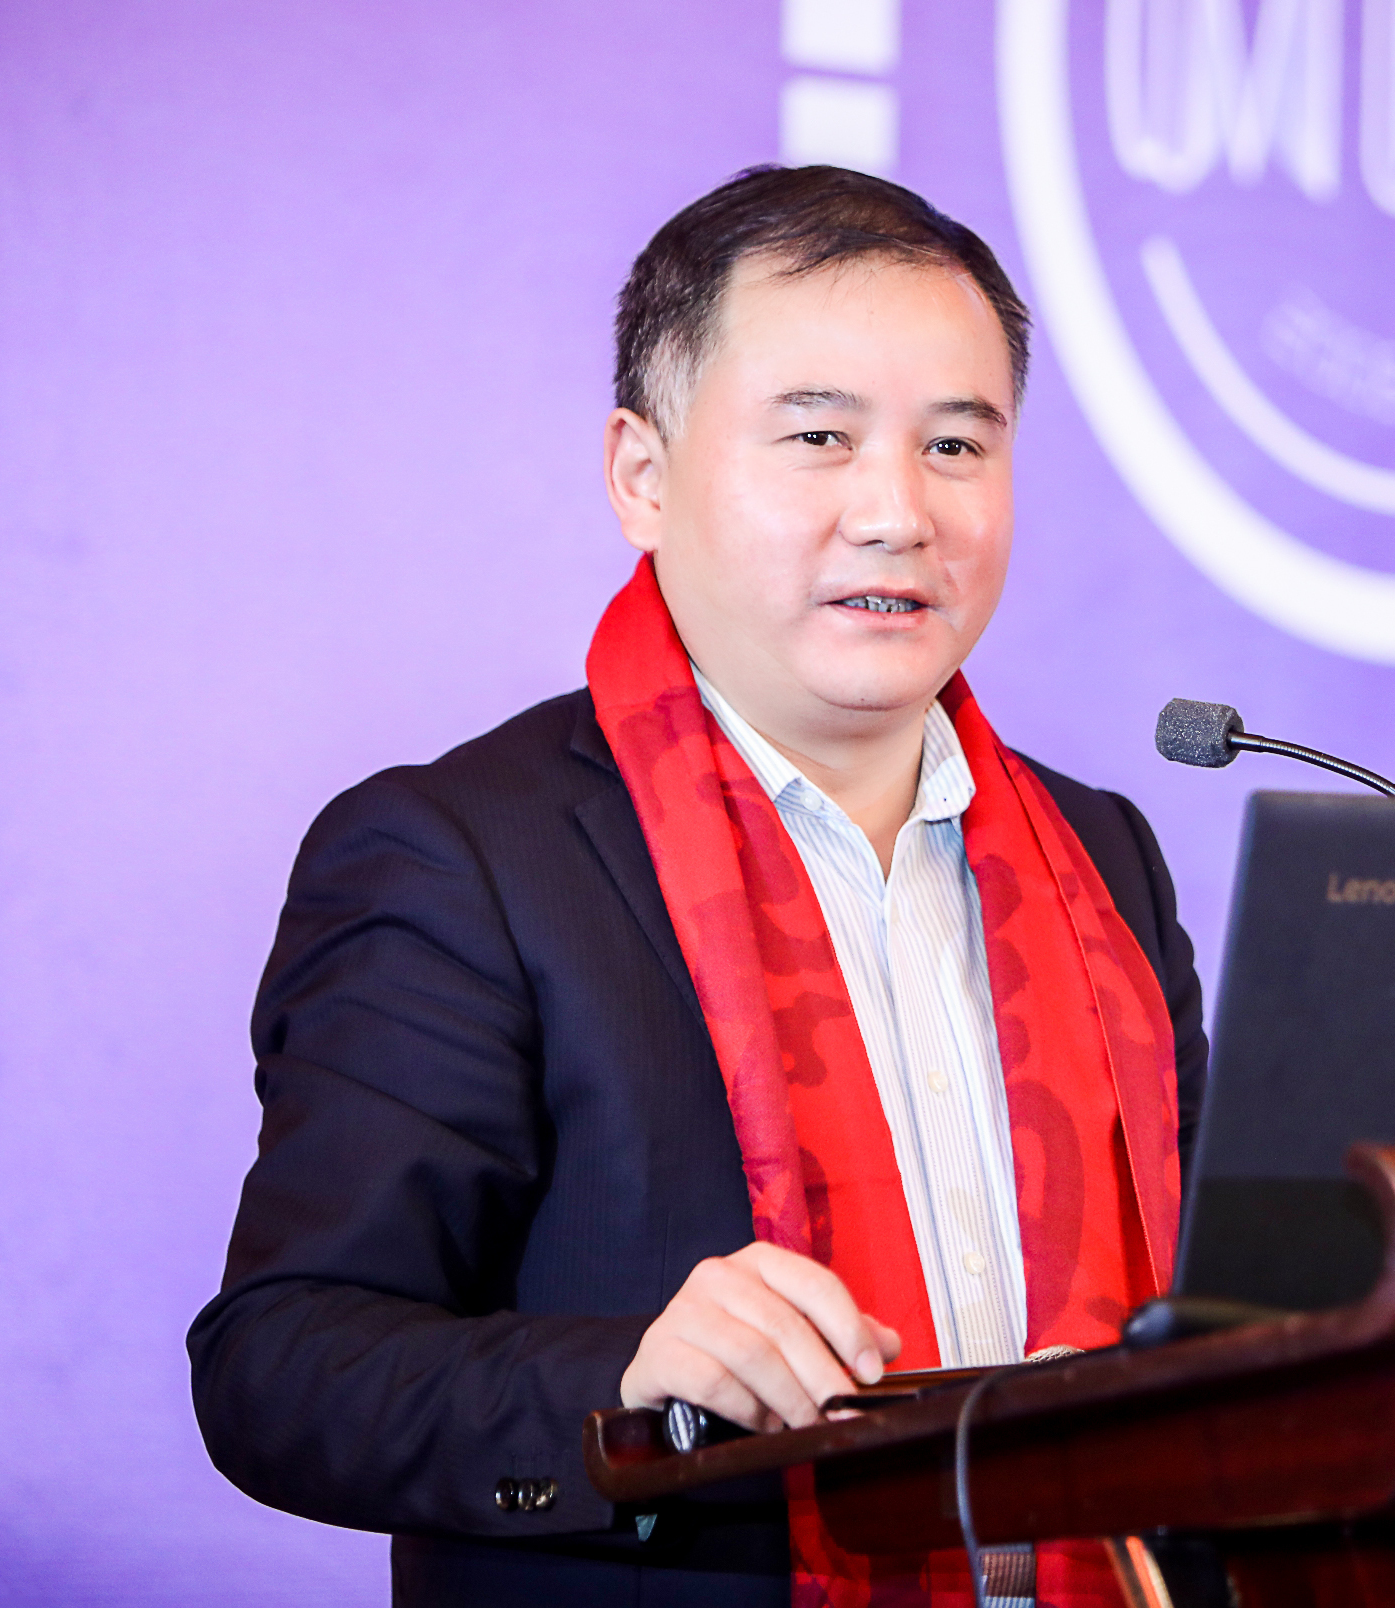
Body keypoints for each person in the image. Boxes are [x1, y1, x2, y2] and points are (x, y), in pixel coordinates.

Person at [188, 165, 1208, 1608]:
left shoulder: (1102, 860)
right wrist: (626, 1381)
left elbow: (1216, 1326)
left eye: (956, 445)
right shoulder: (464, 857)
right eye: (818, 436)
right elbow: (283, 1367)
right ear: (642, 475)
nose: (897, 512)